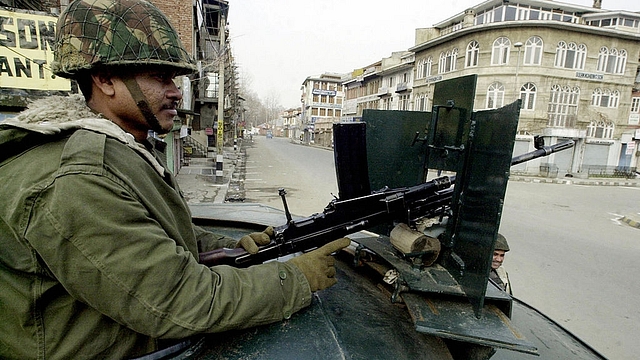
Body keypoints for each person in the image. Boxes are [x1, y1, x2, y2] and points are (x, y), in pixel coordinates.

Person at [0, 0, 349, 358]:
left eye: (174, 78)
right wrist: (296, 280)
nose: (177, 91)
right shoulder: (77, 175)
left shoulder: (116, 149)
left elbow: (148, 229)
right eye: (159, 76)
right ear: (104, 79)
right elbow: (177, 300)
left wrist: (222, 245)